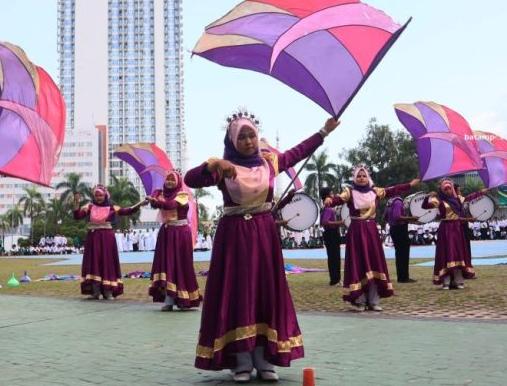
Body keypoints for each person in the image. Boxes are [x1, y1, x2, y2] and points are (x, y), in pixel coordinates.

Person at [185, 111, 339, 383]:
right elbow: (190, 179)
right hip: (233, 237)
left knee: (264, 292)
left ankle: (265, 360)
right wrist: (213, 164)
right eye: (241, 137)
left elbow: (299, 152)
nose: (247, 141)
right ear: (232, 141)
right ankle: (242, 362)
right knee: (238, 293)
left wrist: (324, 132)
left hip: (264, 235)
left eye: (251, 135)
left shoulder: (270, 163)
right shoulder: (223, 167)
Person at [328, 167, 419, 312]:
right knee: (358, 264)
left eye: (364, 176)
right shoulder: (349, 192)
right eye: (359, 176)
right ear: (355, 178)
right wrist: (329, 201)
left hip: (371, 232)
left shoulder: (375, 191)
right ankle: (359, 300)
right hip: (356, 232)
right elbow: (337, 200)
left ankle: (373, 300)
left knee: (374, 263)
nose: (362, 178)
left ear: (368, 178)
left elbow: (393, 190)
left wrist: (410, 185)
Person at [72, 185, 145, 300]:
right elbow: (77, 216)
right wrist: (76, 203)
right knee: (94, 263)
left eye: (101, 195)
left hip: (107, 238)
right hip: (93, 238)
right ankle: (95, 292)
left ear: (105, 195)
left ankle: (108, 291)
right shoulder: (89, 207)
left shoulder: (112, 208)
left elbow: (127, 211)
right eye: (96, 195)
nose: (98, 197)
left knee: (107, 263)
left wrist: (140, 204)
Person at [146, 170, 202, 311]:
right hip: (166, 233)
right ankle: (169, 300)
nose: (169, 182)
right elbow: (154, 205)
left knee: (180, 265)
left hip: (180, 234)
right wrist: (154, 196)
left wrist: (156, 200)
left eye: (173, 180)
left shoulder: (182, 195)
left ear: (178, 182)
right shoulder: (161, 194)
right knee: (166, 265)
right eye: (167, 180)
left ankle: (184, 300)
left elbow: (170, 206)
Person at [422, 179, 483, 289]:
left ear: (452, 189)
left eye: (449, 188)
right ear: (442, 190)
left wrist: (483, 191)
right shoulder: (439, 200)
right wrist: (428, 196)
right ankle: (446, 281)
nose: (448, 191)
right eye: (445, 189)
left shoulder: (457, 199)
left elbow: (470, 197)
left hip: (457, 229)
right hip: (445, 229)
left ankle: (458, 281)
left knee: (457, 254)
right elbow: (425, 206)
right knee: (446, 254)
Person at [385, 196, 416, 283]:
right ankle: (404, 277)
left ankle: (401, 277)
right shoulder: (398, 202)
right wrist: (411, 218)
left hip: (393, 229)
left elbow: (385, 217)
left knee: (399, 253)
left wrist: (391, 222)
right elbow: (397, 216)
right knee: (404, 253)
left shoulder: (390, 201)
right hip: (400, 229)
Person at [319, 187, 344, 286]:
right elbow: (325, 222)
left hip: (329, 234)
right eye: (331, 193)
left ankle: (334, 279)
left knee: (332, 257)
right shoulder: (328, 209)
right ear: (327, 196)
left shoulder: (325, 208)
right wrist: (338, 223)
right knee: (335, 257)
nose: (333, 194)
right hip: (332, 233)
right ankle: (335, 280)